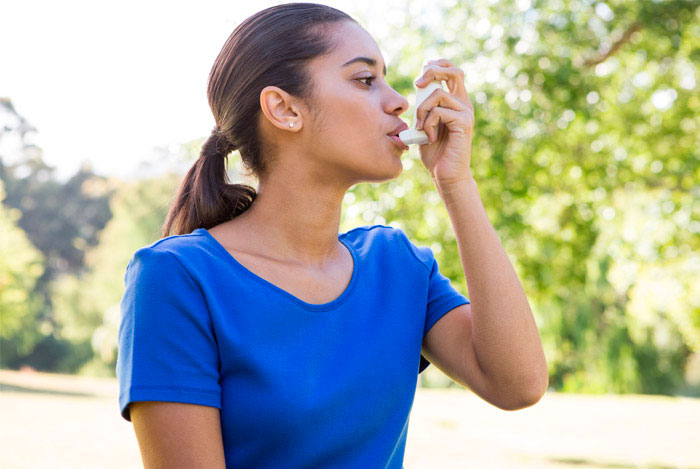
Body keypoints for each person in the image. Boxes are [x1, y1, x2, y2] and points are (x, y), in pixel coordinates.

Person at [116, 3, 548, 468]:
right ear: (284, 109)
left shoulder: (398, 266)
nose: (400, 101)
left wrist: (456, 183)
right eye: (366, 80)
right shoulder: (177, 277)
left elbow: (517, 385)